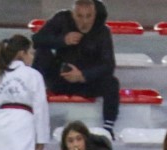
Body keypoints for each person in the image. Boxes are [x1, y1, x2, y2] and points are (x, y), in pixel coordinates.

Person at [31, 0, 119, 138]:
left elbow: (108, 65)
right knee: (42, 52)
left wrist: (83, 75)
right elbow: (37, 39)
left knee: (112, 82)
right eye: (79, 16)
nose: (84, 21)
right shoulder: (62, 19)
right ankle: (32, 101)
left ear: (95, 15)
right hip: (60, 80)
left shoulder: (102, 31)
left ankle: (108, 127)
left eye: (88, 16)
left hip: (86, 83)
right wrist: (62, 40)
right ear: (73, 14)